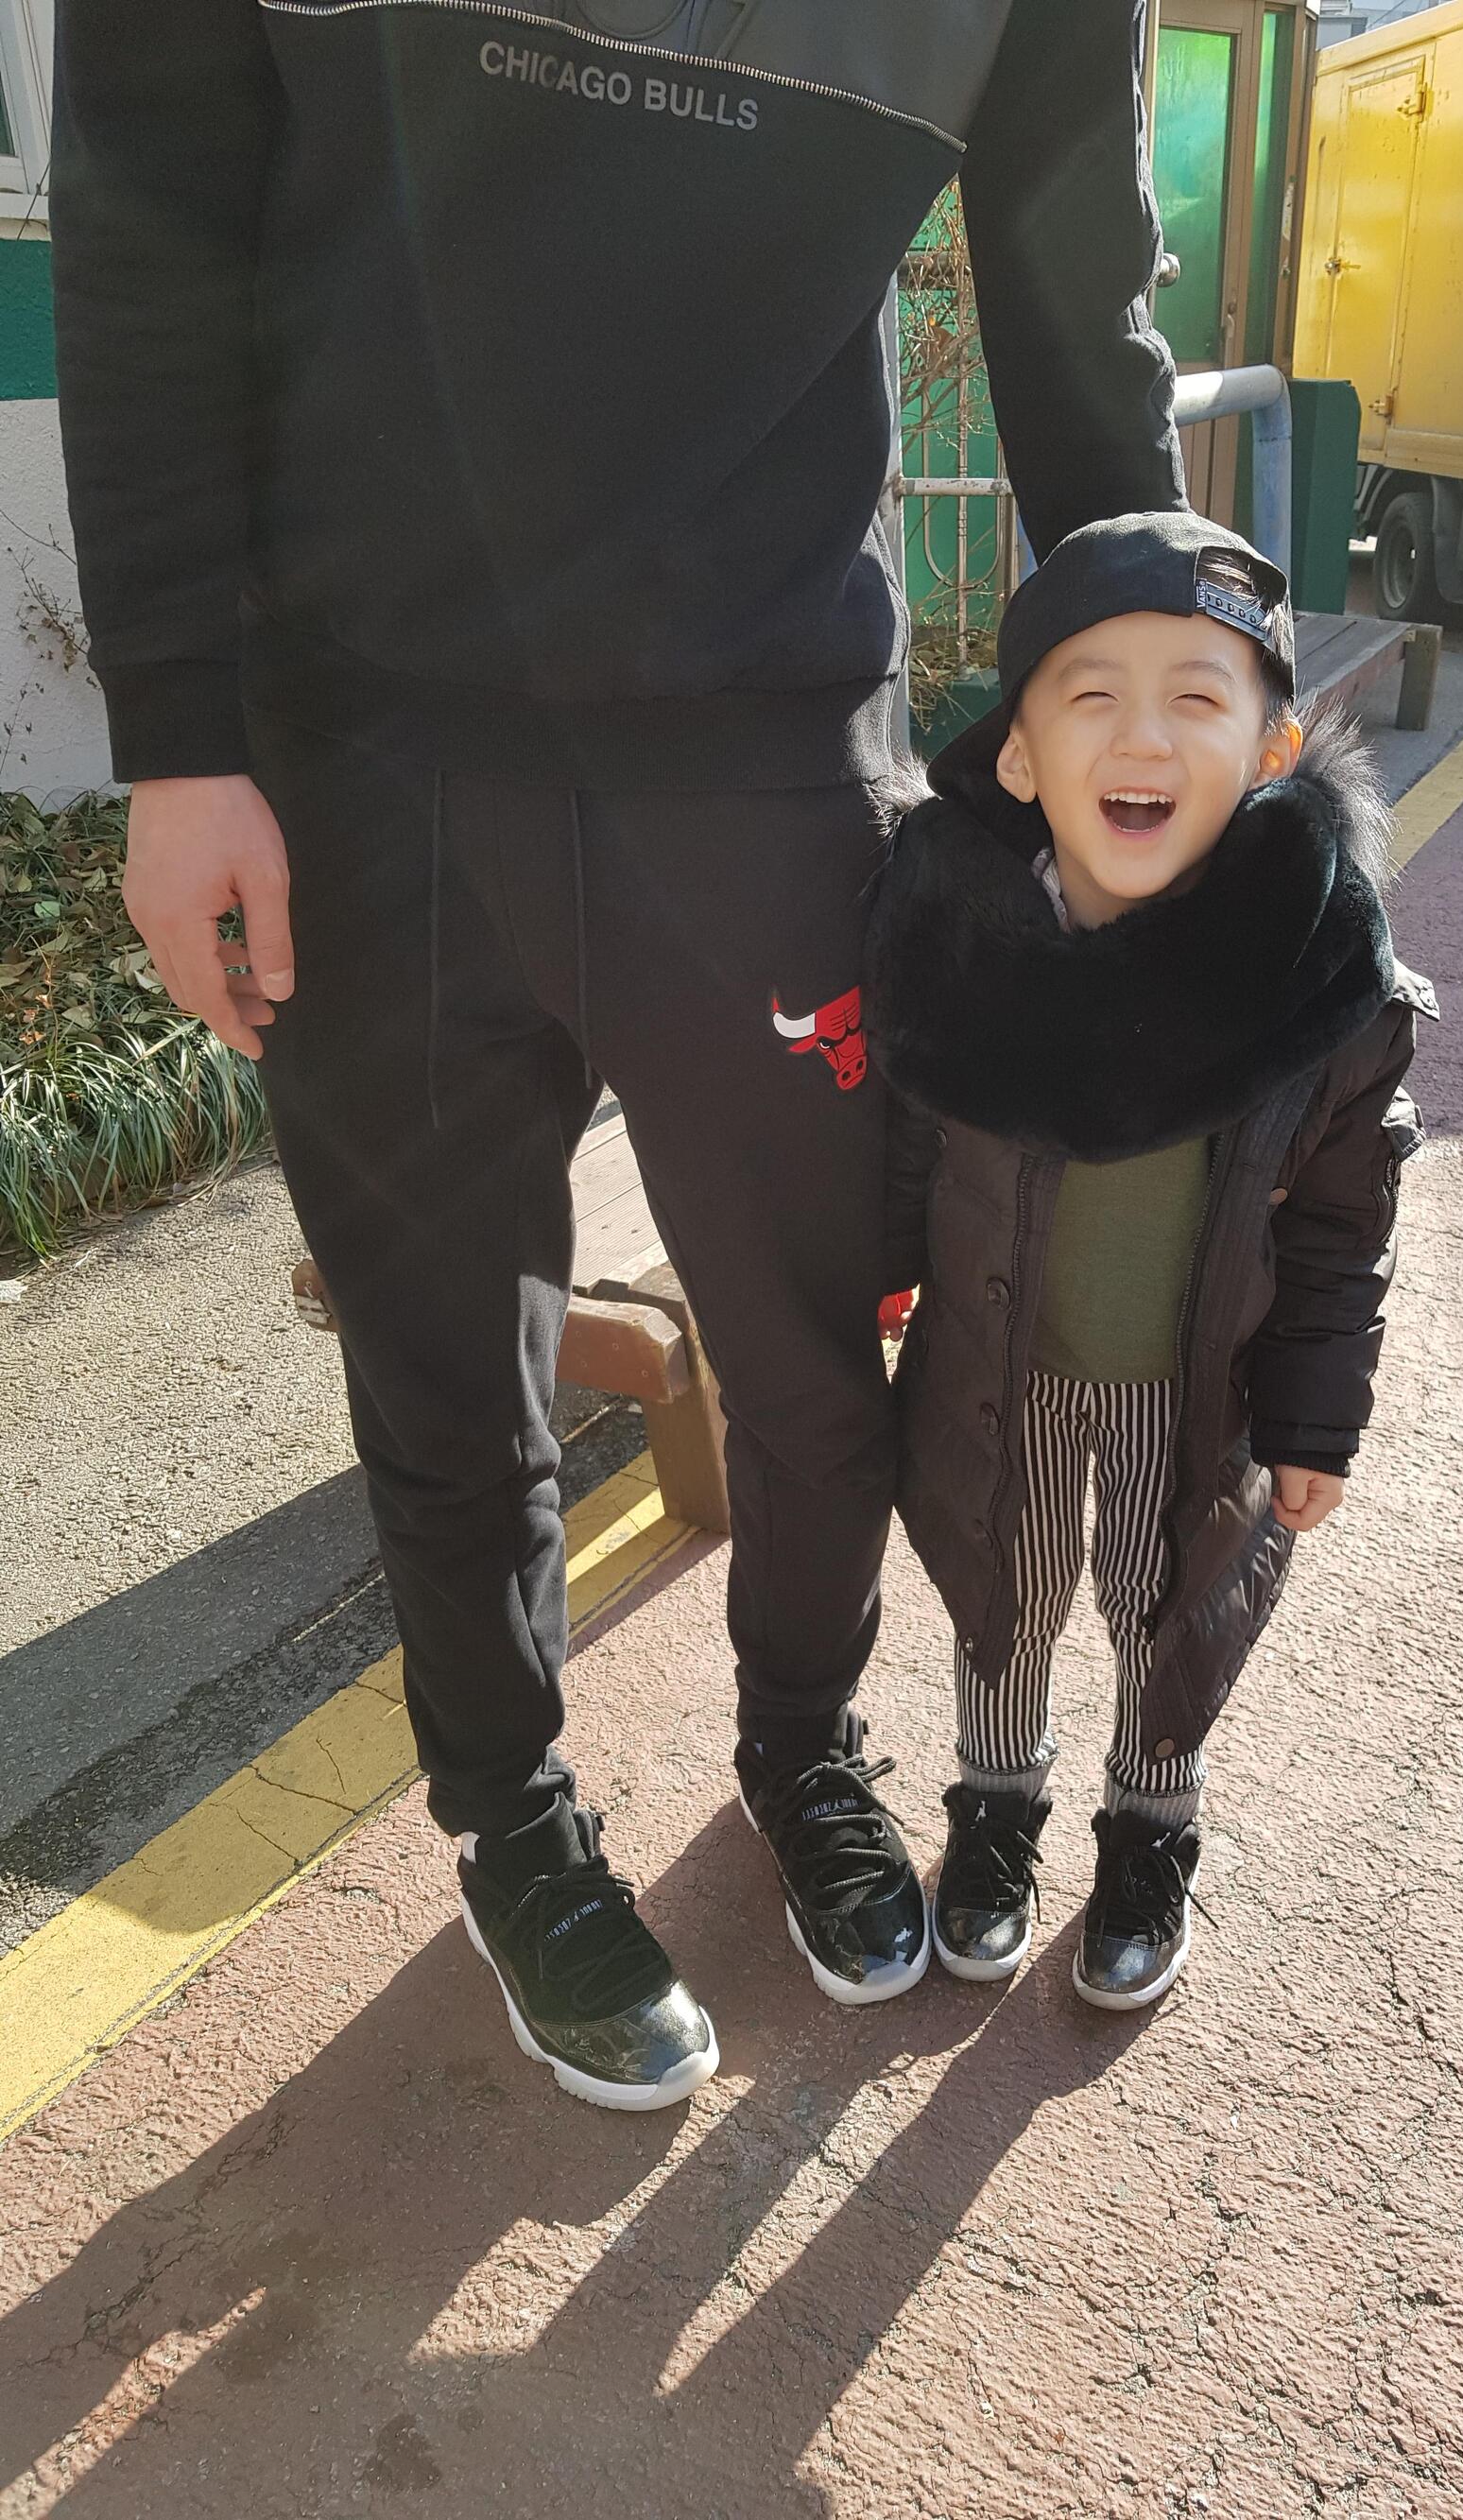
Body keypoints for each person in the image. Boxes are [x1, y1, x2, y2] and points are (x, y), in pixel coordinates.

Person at [49, 0, 1187, 2108]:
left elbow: (1073, 290)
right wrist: (175, 740)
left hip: (757, 752)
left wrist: (1159, 739)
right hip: (357, 755)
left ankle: (799, 1742)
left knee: (816, 1354)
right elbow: (151, 209)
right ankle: (512, 1817)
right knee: (440, 1358)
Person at [866, 511, 1436, 2009]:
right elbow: (906, 1149)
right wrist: (861, 1287)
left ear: (1272, 748)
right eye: (1090, 693)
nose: (1142, 735)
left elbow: (1339, 1224)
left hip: (1195, 1392)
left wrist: (1315, 1420)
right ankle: (996, 1802)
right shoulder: (961, 948)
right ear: (1018, 753)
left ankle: (1150, 1820)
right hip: (999, 1371)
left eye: (1197, 695)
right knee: (1007, 1591)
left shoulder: (1319, 978)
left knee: (1165, 1604)